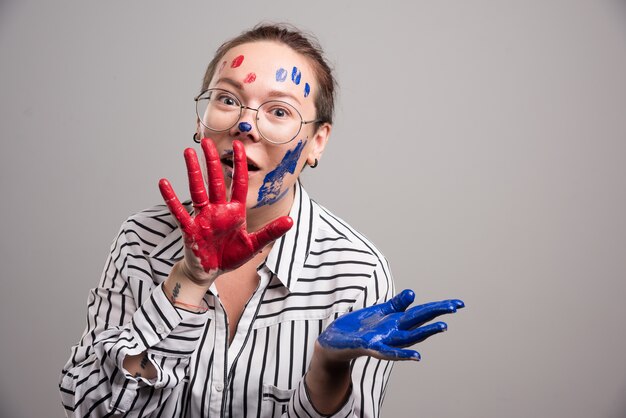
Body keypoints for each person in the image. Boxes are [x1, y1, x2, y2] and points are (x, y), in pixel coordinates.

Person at [59, 23, 464, 418]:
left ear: (316, 142)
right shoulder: (140, 242)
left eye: (279, 110)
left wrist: (328, 370)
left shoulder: (355, 272)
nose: (245, 126)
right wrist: (189, 279)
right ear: (200, 120)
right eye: (228, 100)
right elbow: (90, 407)